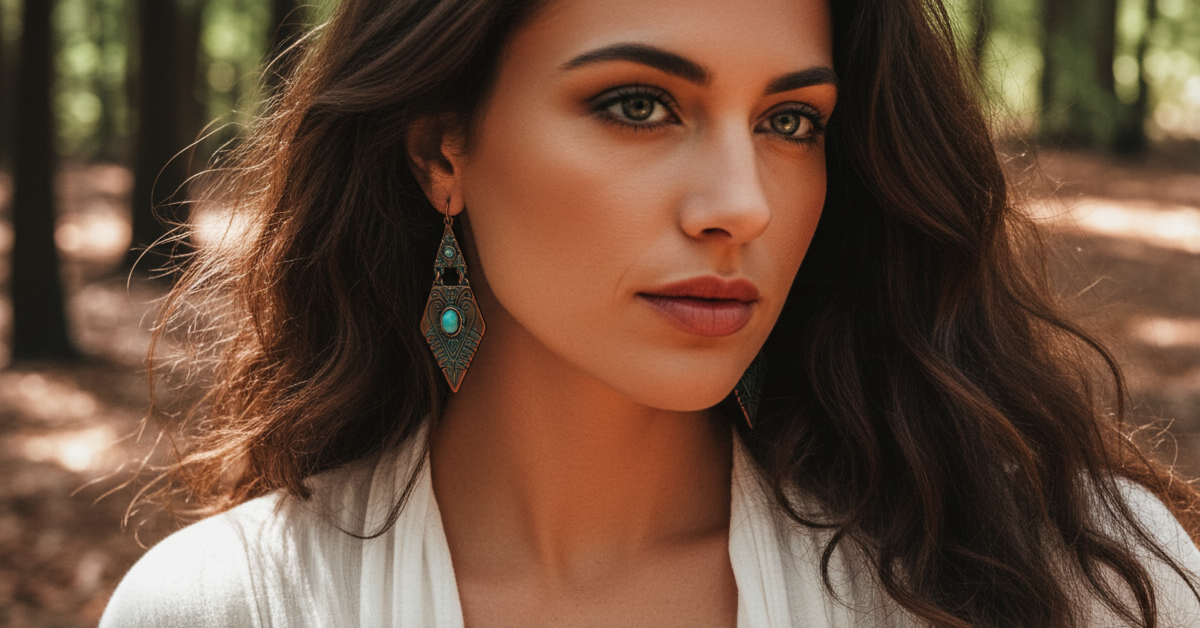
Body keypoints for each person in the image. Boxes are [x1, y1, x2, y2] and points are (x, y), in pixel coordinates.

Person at [101, 0, 1200, 626]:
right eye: (639, 104)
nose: (741, 204)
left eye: (791, 121)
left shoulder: (1070, 580)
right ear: (446, 152)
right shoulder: (224, 610)